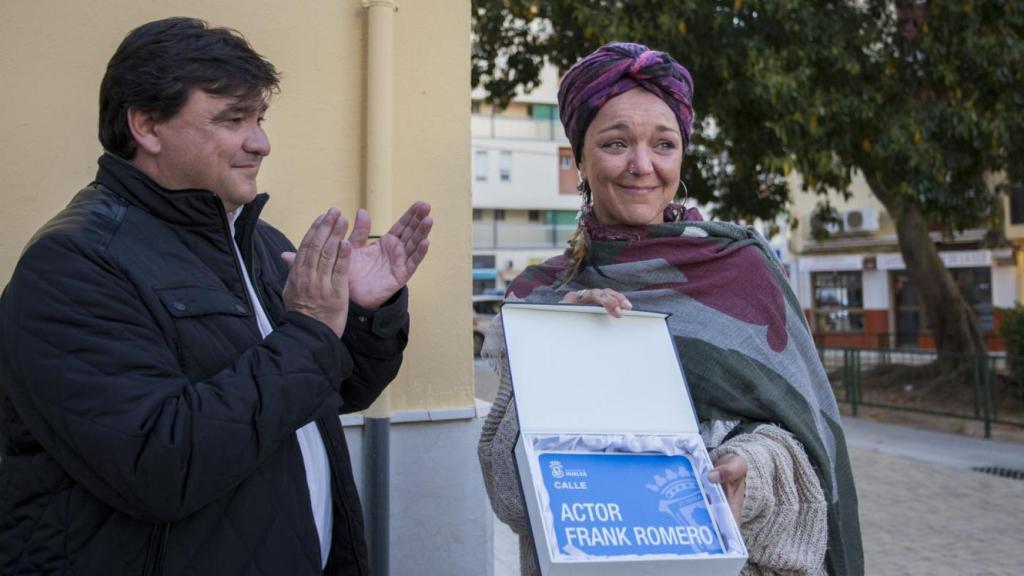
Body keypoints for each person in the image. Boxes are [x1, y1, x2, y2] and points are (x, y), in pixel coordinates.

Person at [0, 17, 432, 575]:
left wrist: (361, 316)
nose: (261, 142)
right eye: (233, 119)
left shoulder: (256, 243)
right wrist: (309, 330)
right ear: (147, 126)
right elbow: (159, 467)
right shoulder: (73, 267)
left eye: (260, 118)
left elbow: (333, 392)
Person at [477, 42, 863, 576]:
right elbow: (508, 492)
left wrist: (747, 471)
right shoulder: (540, 297)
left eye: (664, 143)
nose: (642, 166)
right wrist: (562, 348)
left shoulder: (741, 268)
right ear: (580, 158)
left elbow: (807, 445)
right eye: (616, 143)